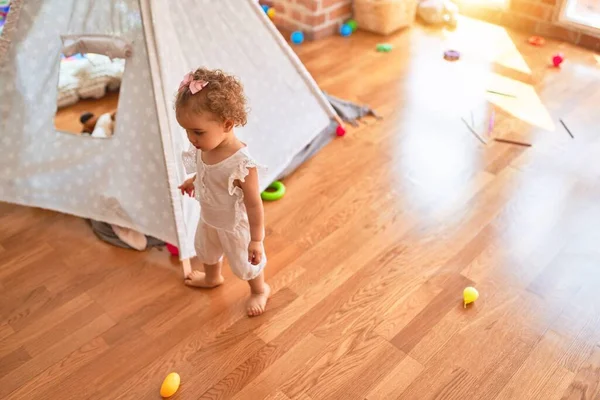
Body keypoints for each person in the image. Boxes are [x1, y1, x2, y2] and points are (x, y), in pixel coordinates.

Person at [176, 68, 270, 317]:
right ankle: (212, 278)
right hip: (209, 217)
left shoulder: (241, 164)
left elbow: (253, 204)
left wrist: (256, 239)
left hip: (234, 225)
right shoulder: (204, 145)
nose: (191, 138)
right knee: (206, 250)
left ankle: (260, 289)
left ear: (227, 124)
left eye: (197, 132)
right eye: (186, 130)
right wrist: (193, 180)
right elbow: (206, 170)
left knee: (244, 263)